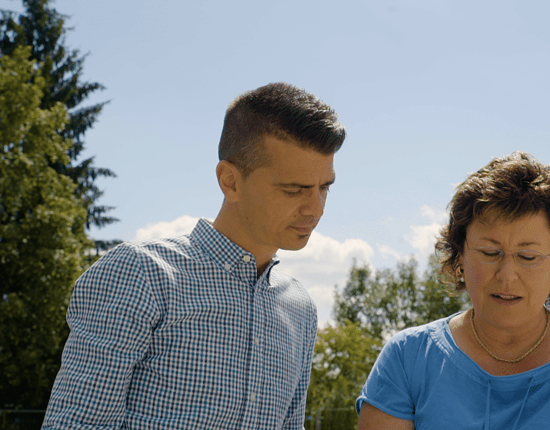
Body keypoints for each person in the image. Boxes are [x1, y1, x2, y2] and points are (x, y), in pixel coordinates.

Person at [42, 82, 346, 429]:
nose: (315, 209)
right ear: (230, 181)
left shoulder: (300, 307)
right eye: (294, 189)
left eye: (325, 188)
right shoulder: (139, 274)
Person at [356, 152, 550, 429]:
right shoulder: (408, 358)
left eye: (527, 256)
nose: (507, 275)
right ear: (460, 256)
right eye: (489, 252)